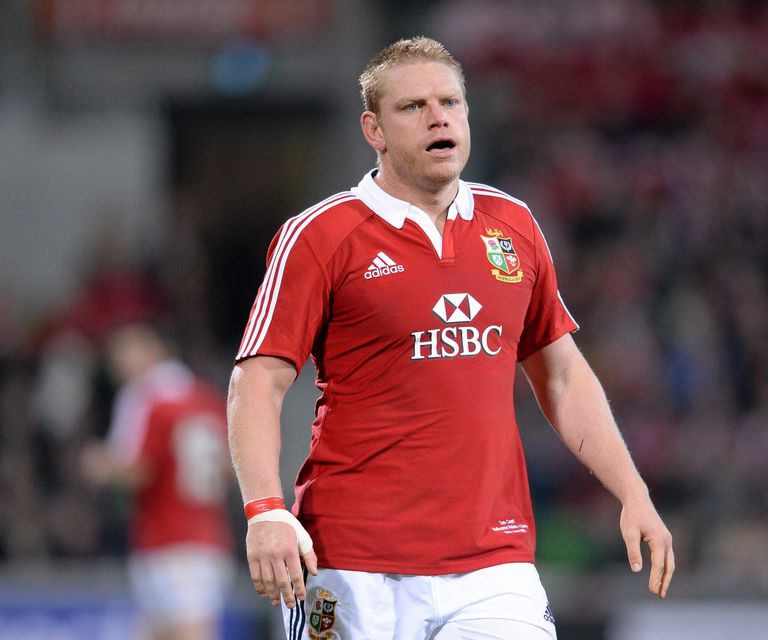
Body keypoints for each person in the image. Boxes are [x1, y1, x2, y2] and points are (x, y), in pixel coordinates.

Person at [227, 36, 674, 640]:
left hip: (494, 563)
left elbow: (562, 375)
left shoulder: (512, 224)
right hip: (352, 562)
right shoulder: (320, 235)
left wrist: (632, 491)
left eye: (450, 102)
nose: (438, 118)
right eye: (413, 107)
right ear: (374, 130)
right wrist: (264, 510)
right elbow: (257, 381)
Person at [81, 323, 235, 640]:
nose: (117, 360)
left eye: (126, 349)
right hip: (205, 536)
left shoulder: (146, 396)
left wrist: (101, 465)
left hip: (168, 539)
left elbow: (138, 471)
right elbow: (230, 467)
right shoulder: (205, 395)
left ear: (155, 349)